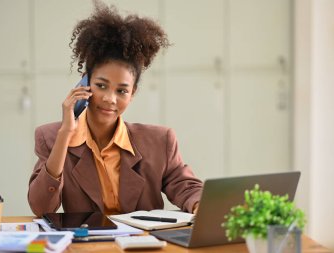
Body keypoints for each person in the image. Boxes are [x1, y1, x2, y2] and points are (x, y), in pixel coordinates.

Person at [28, 2, 203, 217]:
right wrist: (65, 134)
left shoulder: (159, 141)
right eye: (101, 86)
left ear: (133, 93)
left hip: (143, 247)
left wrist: (198, 205)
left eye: (122, 91)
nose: (110, 99)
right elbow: (41, 208)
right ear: (85, 83)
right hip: (89, 247)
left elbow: (187, 187)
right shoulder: (51, 138)